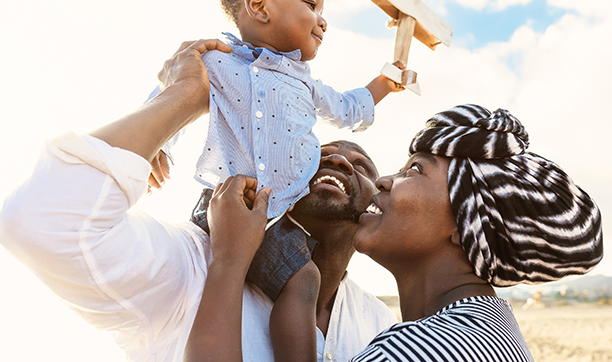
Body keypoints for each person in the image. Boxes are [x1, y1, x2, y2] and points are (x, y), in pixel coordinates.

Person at [0, 39, 397, 362]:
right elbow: (38, 221)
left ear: (374, 204)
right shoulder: (186, 268)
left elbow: (352, 105)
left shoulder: (381, 324)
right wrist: (184, 98)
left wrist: (386, 80)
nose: (338, 159)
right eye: (314, 152)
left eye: (361, 164)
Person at [187, 104, 604, 362]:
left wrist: (228, 261)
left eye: (415, 171)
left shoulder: (425, 349)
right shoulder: (487, 333)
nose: (385, 180)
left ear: (466, 227)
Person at [147, 0, 402, 362]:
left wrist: (383, 83)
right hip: (231, 204)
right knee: (303, 282)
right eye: (310, 4)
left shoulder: (304, 81)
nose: (322, 20)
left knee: (306, 278)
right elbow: (172, 92)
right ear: (259, 7)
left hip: (274, 213)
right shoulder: (217, 60)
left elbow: (348, 107)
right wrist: (158, 143)